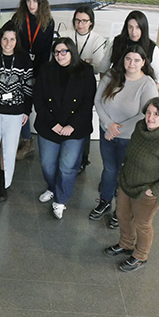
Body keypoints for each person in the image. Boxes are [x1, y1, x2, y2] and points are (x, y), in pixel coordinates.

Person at [103, 97, 159, 272]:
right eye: (148, 113)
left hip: (147, 192)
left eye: (156, 114)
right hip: (128, 182)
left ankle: (140, 256)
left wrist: (153, 190)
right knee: (122, 215)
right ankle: (126, 244)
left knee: (142, 224)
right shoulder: (140, 127)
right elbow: (132, 150)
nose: (150, 118)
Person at [90, 45, 158, 222]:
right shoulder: (112, 76)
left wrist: (115, 130)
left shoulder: (147, 84)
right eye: (128, 59)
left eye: (136, 60)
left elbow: (145, 115)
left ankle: (121, 211)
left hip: (129, 138)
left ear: (143, 62)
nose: (131, 63)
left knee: (124, 174)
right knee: (109, 169)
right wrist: (108, 125)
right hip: (107, 133)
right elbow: (98, 100)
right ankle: (105, 201)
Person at [33, 38, 96, 220]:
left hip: (74, 128)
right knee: (47, 163)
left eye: (63, 51)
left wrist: (71, 126)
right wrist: (53, 124)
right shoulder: (46, 69)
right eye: (56, 52)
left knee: (67, 166)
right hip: (49, 125)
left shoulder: (85, 71)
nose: (59, 55)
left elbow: (87, 102)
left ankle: (60, 200)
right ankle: (52, 187)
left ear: (72, 52)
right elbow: (39, 99)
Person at [0, 24, 34, 202]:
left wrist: (26, 110)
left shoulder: (24, 59)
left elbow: (28, 87)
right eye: (5, 39)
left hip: (15, 111)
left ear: (17, 41)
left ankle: (3, 179)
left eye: (12, 39)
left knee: (9, 147)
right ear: (0, 40)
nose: (8, 43)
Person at [8, 0, 55, 159]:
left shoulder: (48, 22)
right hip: (18, 66)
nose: (31, 5)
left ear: (41, 2)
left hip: (36, 69)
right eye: (28, 1)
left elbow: (46, 51)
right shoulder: (18, 18)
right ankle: (23, 138)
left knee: (28, 104)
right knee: (16, 101)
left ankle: (28, 141)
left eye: (35, 1)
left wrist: (37, 75)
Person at [71, 6, 108, 173]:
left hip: (86, 84)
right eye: (77, 20)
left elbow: (98, 66)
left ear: (91, 22)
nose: (80, 24)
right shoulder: (66, 35)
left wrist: (74, 62)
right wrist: (85, 61)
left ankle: (83, 159)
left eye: (84, 21)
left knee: (83, 120)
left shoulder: (98, 39)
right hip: (67, 83)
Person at [102, 10, 159, 88]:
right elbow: (103, 67)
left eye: (138, 27)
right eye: (130, 27)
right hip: (116, 87)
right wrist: (105, 88)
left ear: (143, 28)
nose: (133, 32)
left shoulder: (151, 47)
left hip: (139, 89)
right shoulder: (117, 42)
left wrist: (149, 92)